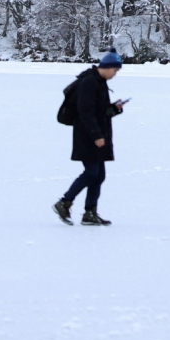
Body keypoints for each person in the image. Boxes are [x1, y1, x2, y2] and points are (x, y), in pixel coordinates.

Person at [54, 51, 125, 226]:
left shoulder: (99, 82)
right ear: (107, 67)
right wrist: (97, 136)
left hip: (97, 135)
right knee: (92, 172)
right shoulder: (89, 82)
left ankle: (90, 213)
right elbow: (85, 113)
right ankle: (64, 202)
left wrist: (115, 109)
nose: (115, 74)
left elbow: (99, 112)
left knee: (99, 175)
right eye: (115, 70)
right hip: (87, 136)